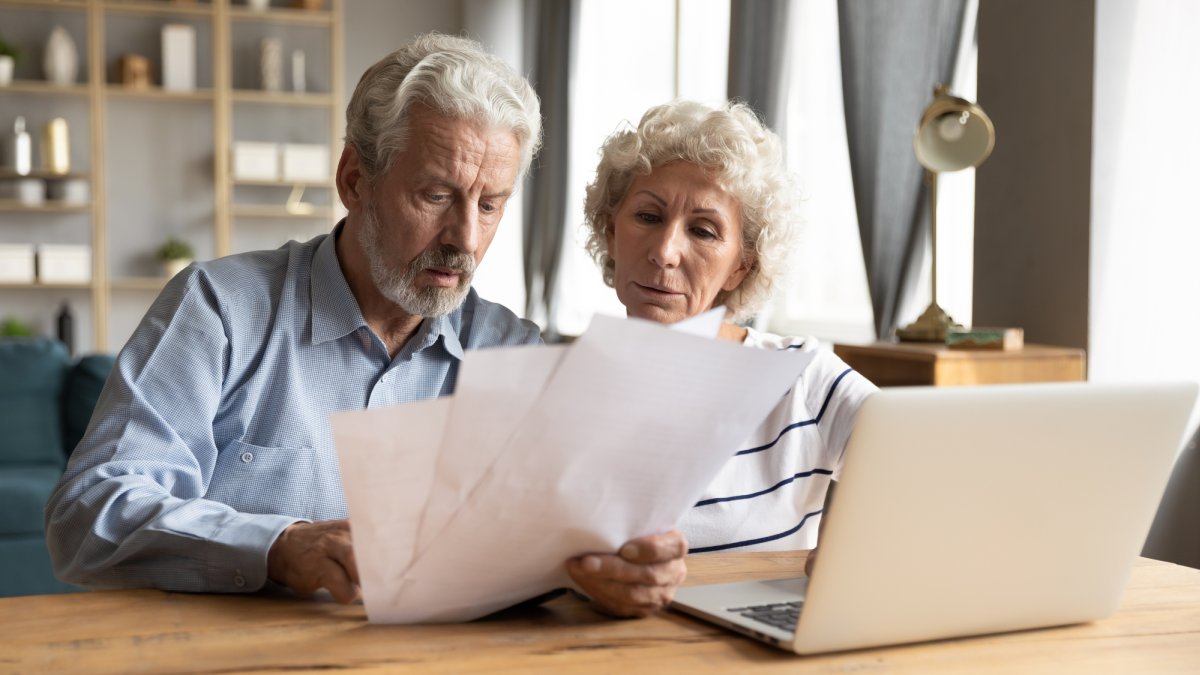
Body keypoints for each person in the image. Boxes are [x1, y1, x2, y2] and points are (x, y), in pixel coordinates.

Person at [43, 33, 682, 614]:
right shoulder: (219, 308)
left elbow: (546, 537)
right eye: (436, 195)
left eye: (490, 205)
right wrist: (276, 545)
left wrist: (602, 568)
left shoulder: (510, 348)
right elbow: (88, 512)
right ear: (355, 180)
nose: (464, 237)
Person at [564, 100, 878, 614]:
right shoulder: (557, 387)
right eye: (647, 216)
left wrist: (864, 539)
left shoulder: (803, 377)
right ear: (609, 232)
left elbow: (916, 460)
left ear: (739, 269)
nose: (665, 252)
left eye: (704, 231)